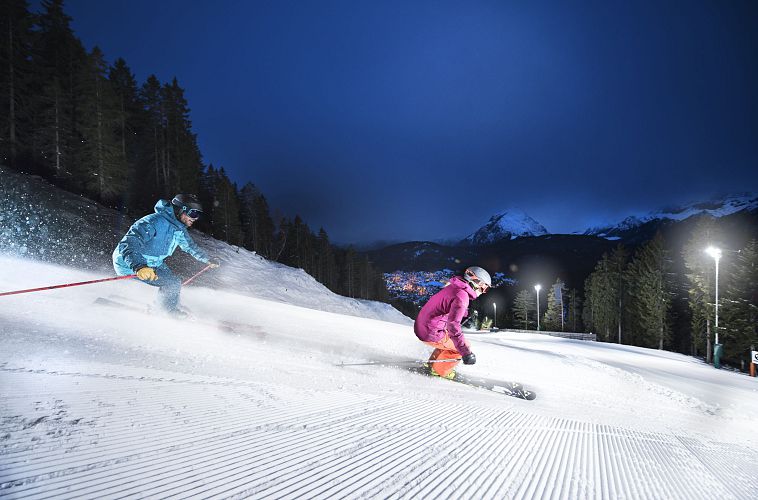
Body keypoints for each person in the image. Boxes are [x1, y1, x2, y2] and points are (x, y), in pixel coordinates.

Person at [112, 194, 218, 317]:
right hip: (129, 263)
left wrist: (208, 259)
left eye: (198, 215)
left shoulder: (179, 229)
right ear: (181, 209)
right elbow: (130, 242)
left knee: (174, 282)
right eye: (193, 213)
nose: (195, 218)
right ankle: (166, 313)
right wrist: (139, 266)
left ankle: (167, 305)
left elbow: (190, 247)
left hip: (153, 263)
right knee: (172, 283)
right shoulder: (154, 221)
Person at [414, 266, 492, 379]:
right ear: (476, 282)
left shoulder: (454, 286)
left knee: (448, 342)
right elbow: (453, 326)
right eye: (484, 288)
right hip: (430, 332)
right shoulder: (462, 296)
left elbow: (445, 306)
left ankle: (432, 364)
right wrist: (466, 352)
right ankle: (440, 371)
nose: (484, 292)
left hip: (422, 326)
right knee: (462, 346)